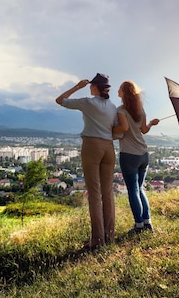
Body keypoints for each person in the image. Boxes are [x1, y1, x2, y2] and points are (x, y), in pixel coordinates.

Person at [56, 73, 118, 249]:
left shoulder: (88, 103)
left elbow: (60, 100)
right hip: (109, 148)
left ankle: (98, 240)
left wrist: (77, 87)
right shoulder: (112, 107)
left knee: (94, 193)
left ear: (95, 87)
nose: (89, 87)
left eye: (91, 85)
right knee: (108, 193)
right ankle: (109, 235)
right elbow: (115, 129)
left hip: (92, 146)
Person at [112, 80, 159, 233]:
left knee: (133, 190)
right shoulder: (141, 110)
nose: (117, 90)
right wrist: (151, 123)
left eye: (119, 89)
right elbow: (144, 130)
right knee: (139, 188)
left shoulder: (121, 110)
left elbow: (123, 128)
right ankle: (148, 222)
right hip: (143, 154)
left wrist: (110, 129)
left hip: (129, 155)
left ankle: (138, 225)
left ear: (123, 93)